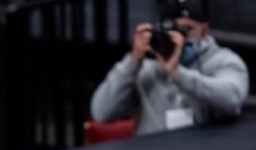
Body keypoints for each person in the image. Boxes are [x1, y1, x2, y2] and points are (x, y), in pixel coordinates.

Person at [90, 0, 249, 136]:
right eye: (173, 29)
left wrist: (178, 74)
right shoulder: (147, 66)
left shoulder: (223, 60)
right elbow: (102, 113)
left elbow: (232, 100)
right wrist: (132, 61)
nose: (180, 37)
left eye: (187, 29)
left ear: (205, 30)